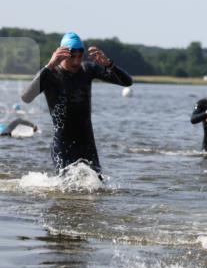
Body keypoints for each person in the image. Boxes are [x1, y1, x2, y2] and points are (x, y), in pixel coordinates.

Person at [20, 32, 132, 173]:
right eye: (72, 56)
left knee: (97, 187)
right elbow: (26, 97)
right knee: (65, 189)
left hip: (87, 144)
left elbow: (127, 82)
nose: (77, 61)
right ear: (61, 53)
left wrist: (109, 65)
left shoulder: (88, 69)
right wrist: (49, 66)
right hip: (63, 145)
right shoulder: (50, 74)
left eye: (80, 56)